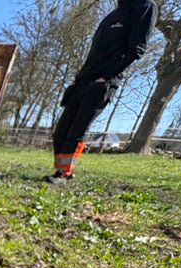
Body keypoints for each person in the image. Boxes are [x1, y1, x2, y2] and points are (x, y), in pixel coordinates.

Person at [45, 0, 158, 184]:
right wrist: (79, 78)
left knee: (77, 131)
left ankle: (62, 174)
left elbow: (137, 50)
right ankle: (64, 169)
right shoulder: (114, 14)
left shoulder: (145, 7)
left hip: (102, 83)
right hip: (83, 79)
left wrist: (106, 77)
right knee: (61, 132)